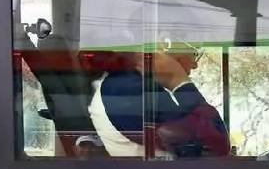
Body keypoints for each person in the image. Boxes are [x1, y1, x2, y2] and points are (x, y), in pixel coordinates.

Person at [88, 38, 228, 159]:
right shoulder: (128, 88)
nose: (194, 64)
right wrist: (179, 81)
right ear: (166, 42)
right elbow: (215, 145)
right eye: (194, 51)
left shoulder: (126, 83)